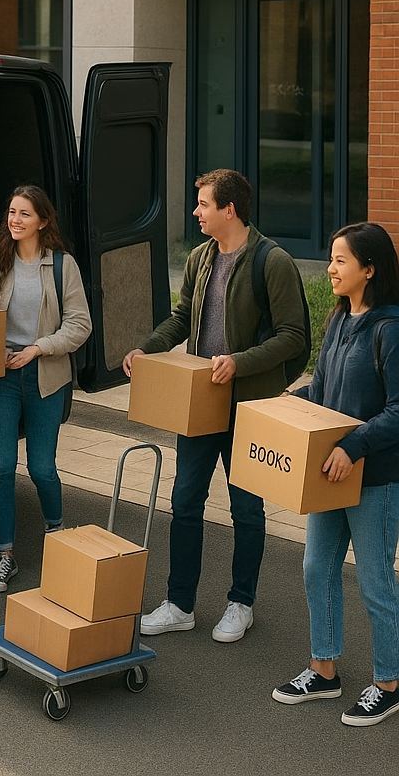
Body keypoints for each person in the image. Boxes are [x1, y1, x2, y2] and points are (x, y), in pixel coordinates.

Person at [122, 169, 307, 643]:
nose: (195, 211)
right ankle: (180, 603)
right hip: (199, 403)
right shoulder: (202, 256)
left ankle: (240, 603)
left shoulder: (274, 261)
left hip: (248, 406)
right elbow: (183, 316)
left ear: (230, 209)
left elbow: (294, 337)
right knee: (185, 501)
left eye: (203, 204)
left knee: (246, 510)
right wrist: (149, 348)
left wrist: (239, 363)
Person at [272, 222, 399, 727]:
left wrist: (352, 445)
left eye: (340, 261)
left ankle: (388, 682)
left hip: (376, 479)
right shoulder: (340, 319)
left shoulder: (391, 330)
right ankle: (323, 670)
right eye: (330, 258)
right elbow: (322, 391)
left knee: (374, 584)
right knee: (316, 569)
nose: (330, 268)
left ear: (369, 269)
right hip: (330, 473)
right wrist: (285, 407)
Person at [0, 185, 92, 593]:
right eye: (11, 212)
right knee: (1, 467)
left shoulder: (62, 266)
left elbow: (80, 324)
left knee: (42, 467)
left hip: (46, 373)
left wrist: (38, 348)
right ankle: (4, 555)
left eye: (24, 213)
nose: (15, 220)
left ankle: (57, 534)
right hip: (1, 376)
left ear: (43, 220)